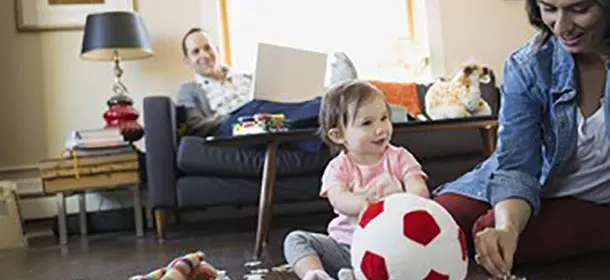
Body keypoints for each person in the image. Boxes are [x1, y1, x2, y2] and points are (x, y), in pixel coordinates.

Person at [432, 0, 610, 278]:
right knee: (434, 221)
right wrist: (507, 228)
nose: (561, 27)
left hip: (593, 199)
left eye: (579, 9)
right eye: (549, 8)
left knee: (493, 237)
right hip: (533, 184)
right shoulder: (529, 64)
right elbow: (517, 164)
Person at [283, 80, 430, 280]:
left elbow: (417, 186)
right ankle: (316, 275)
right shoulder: (339, 167)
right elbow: (338, 197)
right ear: (338, 135)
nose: (381, 129)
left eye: (383, 118)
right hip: (347, 246)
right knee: (295, 240)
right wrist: (363, 204)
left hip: (393, 247)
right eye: (367, 123)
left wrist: (413, 199)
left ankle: (356, 276)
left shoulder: (399, 157)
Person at [176, 27, 252, 137]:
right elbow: (196, 126)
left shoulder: (248, 78)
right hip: (233, 128)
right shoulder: (188, 90)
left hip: (265, 123)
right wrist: (232, 118)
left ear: (217, 50)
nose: (205, 55)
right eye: (196, 51)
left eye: (208, 48)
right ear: (187, 61)